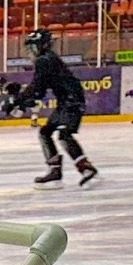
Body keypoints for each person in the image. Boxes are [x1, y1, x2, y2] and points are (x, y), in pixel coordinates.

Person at [25, 30, 97, 186]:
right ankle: (56, 170)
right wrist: (27, 98)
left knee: (63, 134)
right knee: (46, 132)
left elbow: (38, 87)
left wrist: (22, 100)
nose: (31, 51)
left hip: (71, 101)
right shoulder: (48, 59)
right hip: (67, 101)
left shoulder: (45, 60)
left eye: (33, 46)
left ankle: (84, 168)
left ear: (42, 45)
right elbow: (39, 88)